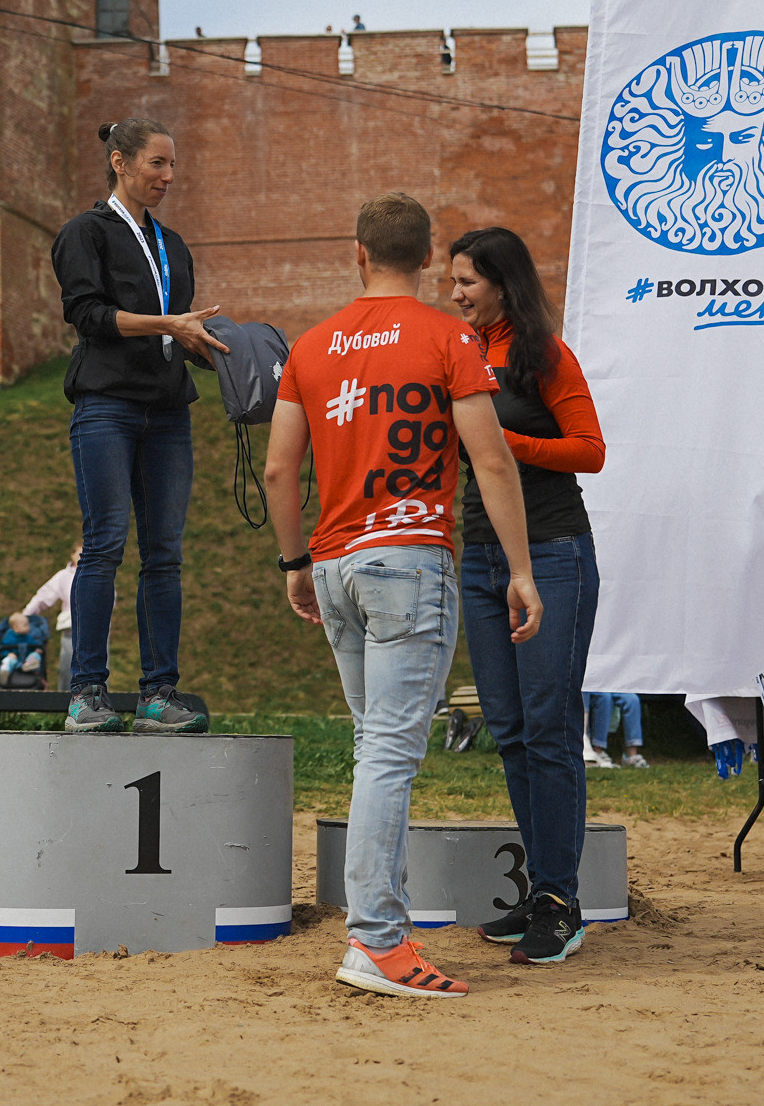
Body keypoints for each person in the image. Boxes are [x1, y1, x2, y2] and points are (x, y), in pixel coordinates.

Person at [264, 192, 539, 999]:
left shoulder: (312, 346)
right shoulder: (448, 334)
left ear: (357, 254)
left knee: (371, 749)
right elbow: (491, 460)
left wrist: (293, 563)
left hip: (338, 562)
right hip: (410, 560)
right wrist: (521, 569)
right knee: (387, 755)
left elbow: (280, 469)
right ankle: (376, 938)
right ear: (426, 260)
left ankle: (379, 925)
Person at [445, 225, 607, 963]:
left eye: (467, 283)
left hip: (550, 555)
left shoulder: (546, 355)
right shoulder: (461, 355)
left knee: (547, 729)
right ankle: (542, 887)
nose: (454, 294)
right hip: (479, 560)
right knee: (509, 732)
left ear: (504, 285)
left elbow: (591, 450)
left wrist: (507, 446)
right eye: (451, 282)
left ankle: (559, 901)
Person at [50, 119, 227, 734]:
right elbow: (89, 316)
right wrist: (168, 324)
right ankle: (87, 693)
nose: (168, 177)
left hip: (169, 412)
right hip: (106, 407)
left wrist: (218, 349)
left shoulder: (173, 245)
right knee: (103, 545)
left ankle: (158, 694)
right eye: (157, 164)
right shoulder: (84, 233)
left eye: (172, 165)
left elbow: (180, 330)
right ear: (121, 162)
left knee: (166, 556)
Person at [22, 542, 80, 682]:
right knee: (67, 667)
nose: (83, 557)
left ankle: (98, 699)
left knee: (98, 668)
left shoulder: (98, 574)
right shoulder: (63, 576)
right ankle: (66, 699)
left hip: (96, 628)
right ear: (72, 555)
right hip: (71, 628)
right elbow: (44, 595)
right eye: (79, 554)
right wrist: (26, 615)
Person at [585, 693, 648, 769]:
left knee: (632, 699)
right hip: (592, 689)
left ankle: (631, 757)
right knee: (605, 698)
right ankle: (598, 752)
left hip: (612, 686)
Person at [0, 611, 49, 685]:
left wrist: (37, 650)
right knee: (8, 660)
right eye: (25, 625)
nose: (29, 627)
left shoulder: (28, 637)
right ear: (16, 628)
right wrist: (8, 654)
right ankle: (4, 672)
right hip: (15, 661)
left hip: (26, 660)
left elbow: (35, 644)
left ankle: (29, 665)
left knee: (36, 655)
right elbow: (3, 649)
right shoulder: (9, 637)